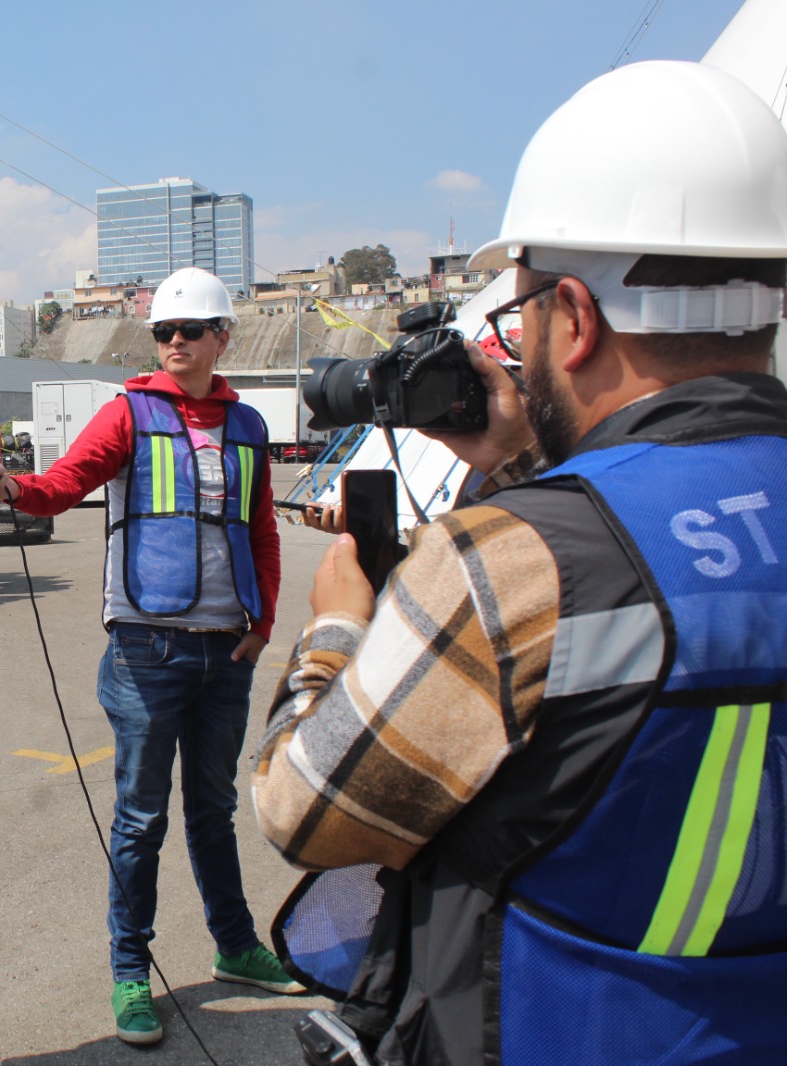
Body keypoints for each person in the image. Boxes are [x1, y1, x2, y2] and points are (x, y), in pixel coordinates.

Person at [254, 60, 787, 1066]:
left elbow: (303, 808)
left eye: (524, 315)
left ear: (573, 317)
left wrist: (333, 629)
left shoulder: (513, 558)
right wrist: (520, 461)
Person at [0, 266, 296, 1047]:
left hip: (227, 651)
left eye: (190, 330)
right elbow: (61, 486)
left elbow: (261, 530)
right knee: (141, 819)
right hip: (148, 649)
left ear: (223, 337)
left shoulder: (248, 426)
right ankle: (129, 971)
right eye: (164, 332)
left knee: (213, 811)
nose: (175, 342)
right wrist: (8, 488)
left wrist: (263, 625)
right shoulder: (128, 413)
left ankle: (235, 946)